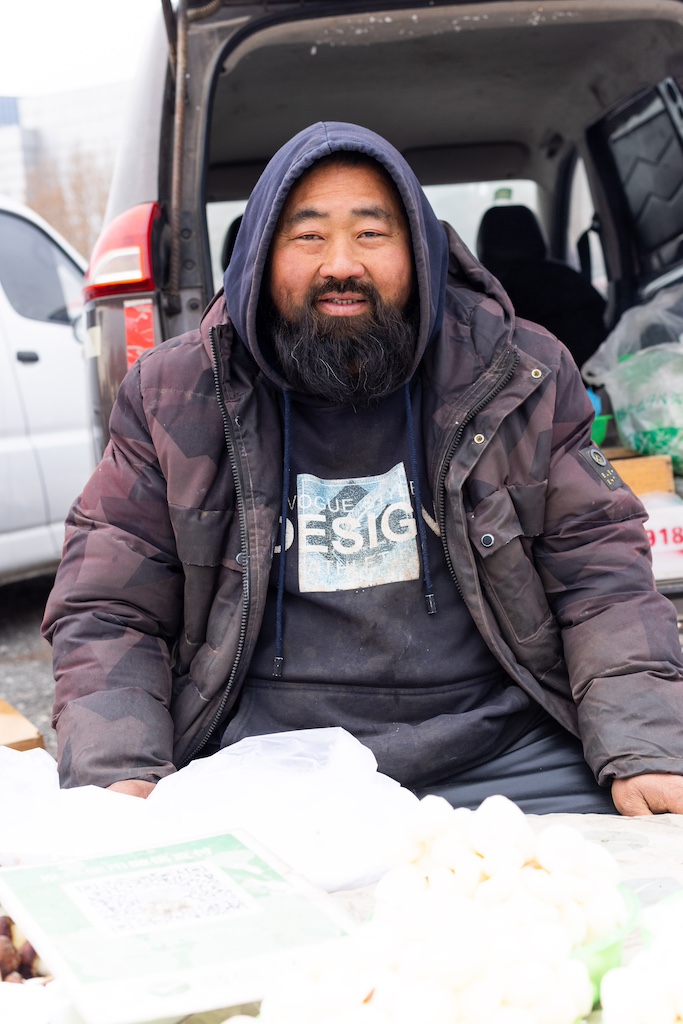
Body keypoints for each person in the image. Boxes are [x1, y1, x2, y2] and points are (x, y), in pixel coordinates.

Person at [42, 121, 683, 816]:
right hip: (266, 766)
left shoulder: (517, 371)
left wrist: (644, 747)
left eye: (372, 234)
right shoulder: (176, 393)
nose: (340, 263)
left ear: (419, 253)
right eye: (308, 236)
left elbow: (598, 576)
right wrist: (120, 777)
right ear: (260, 255)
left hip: (501, 751)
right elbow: (109, 606)